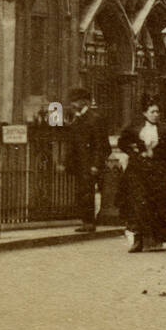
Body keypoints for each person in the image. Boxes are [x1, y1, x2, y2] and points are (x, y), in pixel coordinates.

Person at [117, 96, 166, 252]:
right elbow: (122, 143)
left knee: (162, 205)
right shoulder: (135, 128)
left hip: (159, 172)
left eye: (158, 112)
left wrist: (156, 155)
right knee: (139, 205)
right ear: (145, 113)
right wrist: (135, 153)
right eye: (152, 111)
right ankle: (138, 240)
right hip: (139, 172)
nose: (156, 114)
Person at [67, 88, 110, 233]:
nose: (72, 104)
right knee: (81, 192)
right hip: (81, 164)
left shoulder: (94, 118)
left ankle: (89, 222)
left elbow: (101, 144)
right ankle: (86, 221)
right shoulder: (78, 118)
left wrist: (96, 165)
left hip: (90, 164)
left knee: (87, 192)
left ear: (84, 101)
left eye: (75, 101)